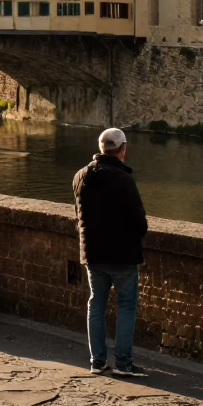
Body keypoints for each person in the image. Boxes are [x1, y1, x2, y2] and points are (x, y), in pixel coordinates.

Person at [73, 127, 149, 378]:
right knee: (126, 306)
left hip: (93, 253)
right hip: (122, 254)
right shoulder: (124, 179)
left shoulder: (80, 176)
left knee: (96, 304)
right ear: (122, 149)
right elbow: (139, 221)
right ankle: (124, 363)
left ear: (102, 148)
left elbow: (79, 216)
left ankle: (97, 361)